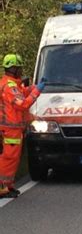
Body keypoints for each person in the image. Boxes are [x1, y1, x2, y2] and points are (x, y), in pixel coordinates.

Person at [0, 54, 44, 199]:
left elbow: (22, 93)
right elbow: (23, 104)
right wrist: (37, 91)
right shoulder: (9, 87)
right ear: (14, 69)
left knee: (12, 159)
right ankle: (3, 188)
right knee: (9, 158)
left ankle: (8, 186)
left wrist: (34, 87)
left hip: (13, 129)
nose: (21, 71)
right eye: (19, 68)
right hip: (10, 129)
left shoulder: (11, 84)